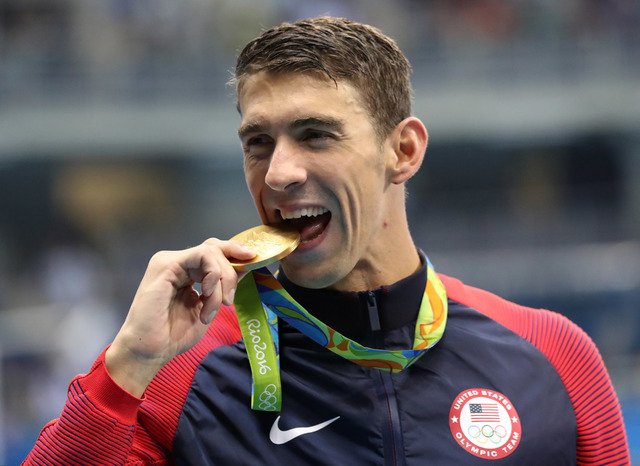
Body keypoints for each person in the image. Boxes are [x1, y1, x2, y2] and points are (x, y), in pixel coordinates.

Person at [24, 16, 629, 465]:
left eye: (316, 136)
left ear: (403, 151)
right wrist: (128, 363)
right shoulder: (183, 377)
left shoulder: (553, 355)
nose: (279, 172)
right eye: (258, 142)